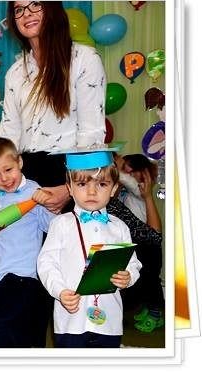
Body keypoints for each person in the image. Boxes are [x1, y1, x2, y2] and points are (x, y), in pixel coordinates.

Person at [0, 1, 107, 214]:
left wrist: (70, 188)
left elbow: (91, 133)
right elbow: (8, 133)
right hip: (25, 180)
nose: (26, 14)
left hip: (70, 173)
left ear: (52, 9)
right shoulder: (15, 73)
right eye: (19, 9)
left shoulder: (84, 59)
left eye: (35, 5)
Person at [36, 149, 142, 348]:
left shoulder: (120, 227)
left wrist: (128, 277)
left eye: (102, 184)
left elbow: (133, 263)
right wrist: (60, 291)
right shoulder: (60, 224)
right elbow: (46, 263)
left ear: (113, 189)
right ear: (70, 188)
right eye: (82, 184)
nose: (92, 192)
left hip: (109, 320)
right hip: (71, 320)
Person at [0, 138, 56, 347]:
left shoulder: (33, 192)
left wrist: (47, 203)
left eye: (8, 169)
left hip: (24, 275)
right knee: (27, 331)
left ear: (19, 162)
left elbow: (52, 227)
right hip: (3, 274)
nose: (4, 178)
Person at [112, 153, 164, 332]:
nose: (128, 176)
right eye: (126, 171)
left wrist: (117, 169)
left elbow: (129, 182)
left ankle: (156, 313)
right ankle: (149, 308)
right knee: (144, 279)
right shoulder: (125, 192)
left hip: (148, 243)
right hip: (137, 242)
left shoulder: (138, 191)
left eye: (131, 171)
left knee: (151, 280)